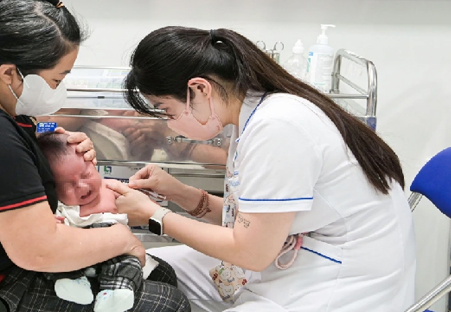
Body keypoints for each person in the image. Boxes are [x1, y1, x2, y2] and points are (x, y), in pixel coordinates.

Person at [0, 0, 190, 312]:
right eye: (56, 80)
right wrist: (123, 238)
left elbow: (21, 139)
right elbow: (40, 251)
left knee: (161, 273)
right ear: (9, 73)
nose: (59, 90)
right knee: (167, 304)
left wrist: (54, 140)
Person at [105, 26, 416, 312]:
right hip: (291, 253)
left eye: (166, 110)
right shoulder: (255, 115)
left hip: (344, 284)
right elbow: (254, 220)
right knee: (142, 265)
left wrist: (155, 216)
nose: (170, 123)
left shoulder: (278, 126)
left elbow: (251, 251)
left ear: (199, 89)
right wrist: (180, 194)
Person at [37, 132, 165, 312]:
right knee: (57, 258)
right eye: (67, 185)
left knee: (129, 262)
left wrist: (150, 199)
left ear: (94, 163)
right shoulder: (56, 203)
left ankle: (117, 292)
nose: (82, 186)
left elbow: (148, 208)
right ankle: (71, 282)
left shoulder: (110, 187)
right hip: (76, 253)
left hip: (115, 250)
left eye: (86, 174)